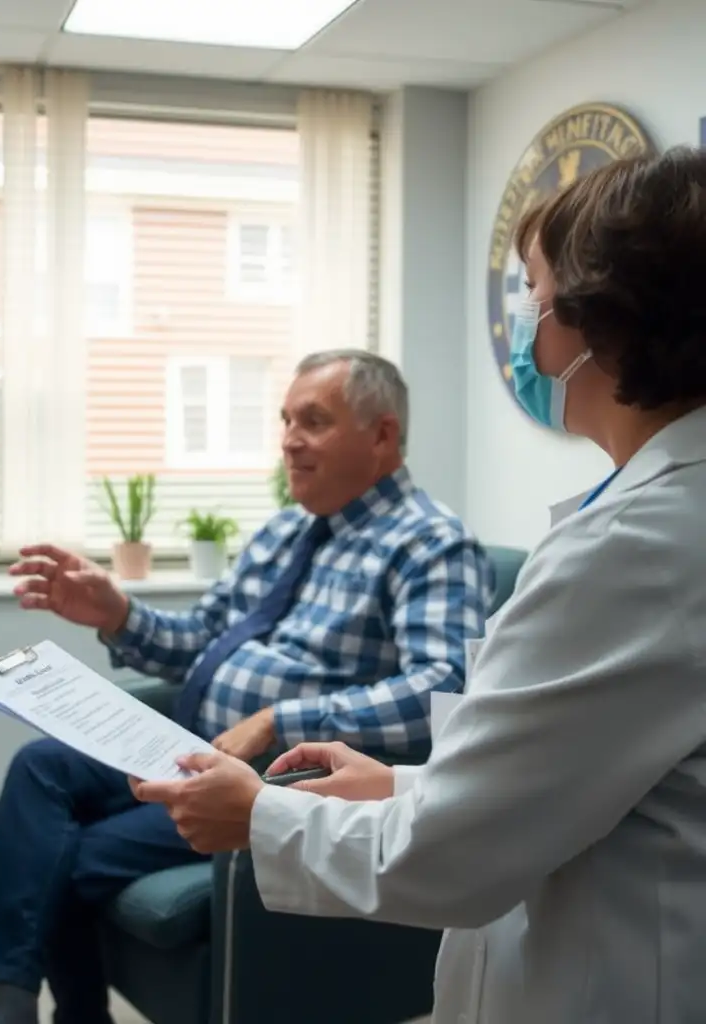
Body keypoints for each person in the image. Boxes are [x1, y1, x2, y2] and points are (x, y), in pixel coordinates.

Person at [133, 146, 706, 1024]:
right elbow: (567, 778)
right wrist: (399, 786)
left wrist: (260, 817)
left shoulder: (636, 546)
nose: (527, 326)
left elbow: (457, 855)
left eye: (533, 296)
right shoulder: (650, 517)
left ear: (598, 319)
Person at [0, 350, 492, 1024]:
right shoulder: (287, 528)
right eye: (286, 420)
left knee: (73, 856)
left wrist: (281, 720)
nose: (289, 439)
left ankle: (62, 1016)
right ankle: (14, 1001)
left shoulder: (430, 542)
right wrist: (115, 612)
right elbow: (205, 635)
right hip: (192, 740)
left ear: (381, 436)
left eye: (313, 421)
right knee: (42, 766)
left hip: (272, 774)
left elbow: (444, 688)